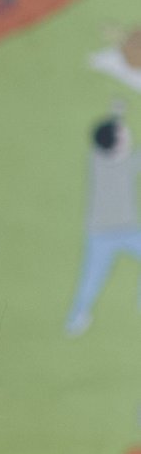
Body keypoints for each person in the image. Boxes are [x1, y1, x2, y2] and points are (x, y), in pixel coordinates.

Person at [67, 110, 141, 335]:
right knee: (91, 278)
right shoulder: (108, 161)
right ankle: (77, 316)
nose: (128, 136)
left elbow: (108, 137)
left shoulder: (105, 158)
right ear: (117, 144)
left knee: (91, 277)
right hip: (102, 233)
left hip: (125, 229)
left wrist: (116, 116)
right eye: (123, 135)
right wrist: (115, 121)